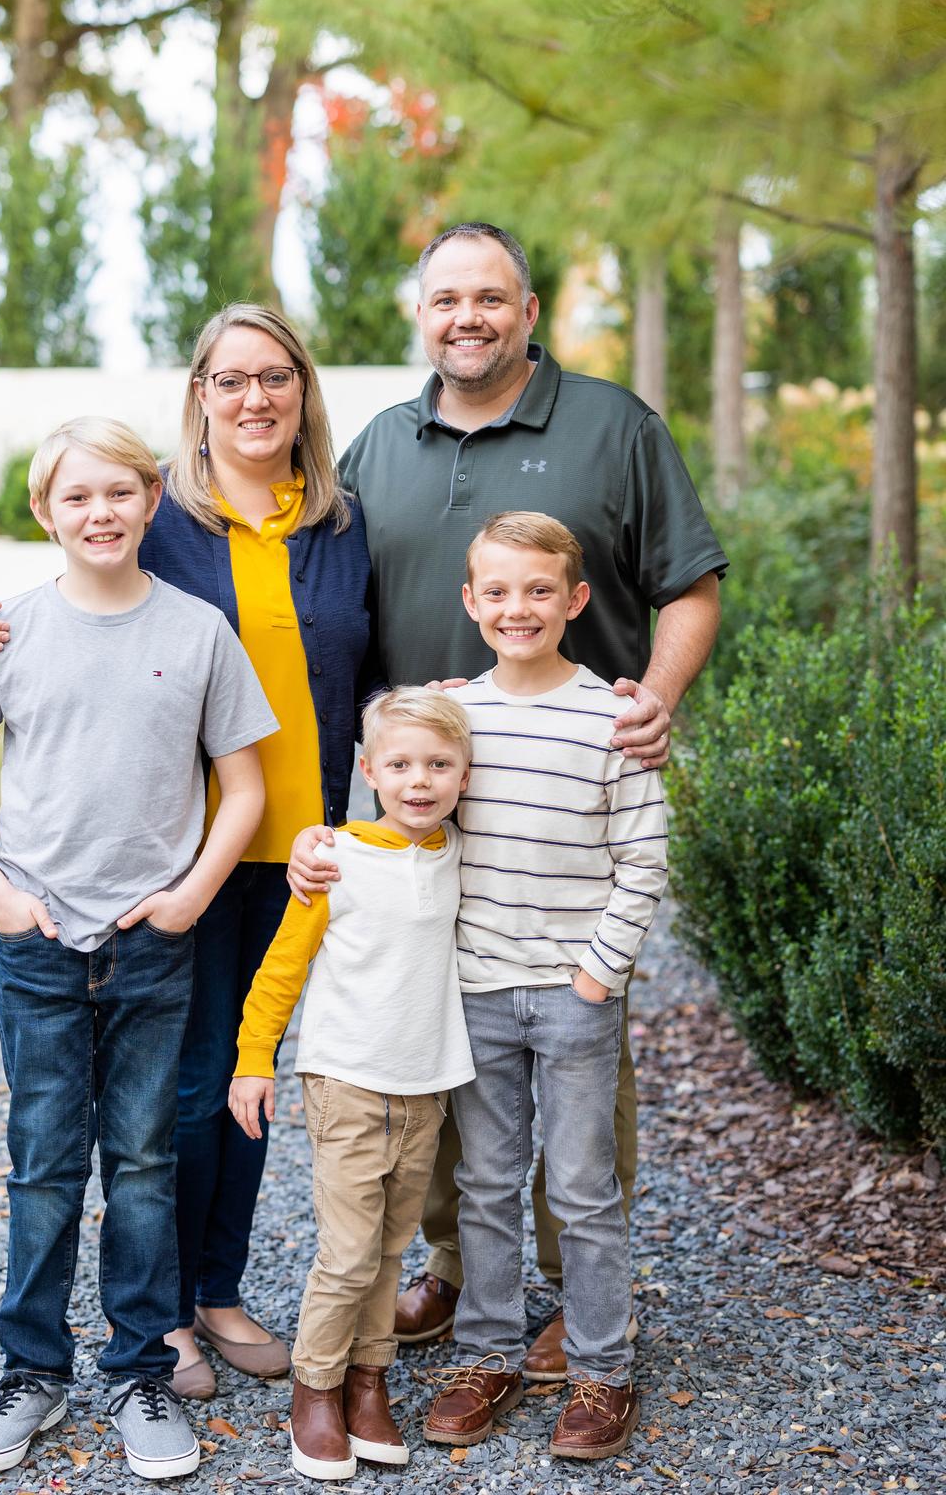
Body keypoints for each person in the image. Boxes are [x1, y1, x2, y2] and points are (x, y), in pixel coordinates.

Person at [290, 220, 726, 1378]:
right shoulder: (379, 448)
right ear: (420, 314)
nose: (466, 318)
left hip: (568, 814)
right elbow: (314, 608)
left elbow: (691, 585)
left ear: (529, 312)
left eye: (491, 298)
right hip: (419, 824)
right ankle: (457, 1270)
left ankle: (570, 1288)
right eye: (445, 300)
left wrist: (657, 698)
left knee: (579, 1071)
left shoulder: (612, 428)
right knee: (432, 1046)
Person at [0, 307, 377, 1397]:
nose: (254, 399)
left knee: (252, 1072)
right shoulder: (168, 518)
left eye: (274, 377)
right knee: (182, 1089)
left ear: (301, 389)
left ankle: (217, 1288)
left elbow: (377, 660)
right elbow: (70, 605)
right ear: (199, 397)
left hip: (297, 839)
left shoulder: (339, 525)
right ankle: (168, 1312)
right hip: (183, 853)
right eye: (229, 380)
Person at [0, 417, 277, 1480]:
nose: (101, 514)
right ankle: (31, 1369)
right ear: (45, 513)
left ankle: (140, 1373)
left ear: (151, 499)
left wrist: (188, 898)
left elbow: (246, 787)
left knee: (142, 1162)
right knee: (42, 1167)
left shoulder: (201, 630)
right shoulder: (7, 631)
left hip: (152, 946)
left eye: (120, 493)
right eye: (77, 498)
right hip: (37, 944)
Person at [416, 511, 666, 1461]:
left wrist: (598, 975)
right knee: (483, 1183)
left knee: (582, 1186)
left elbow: (642, 859)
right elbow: (406, 804)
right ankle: (485, 1356)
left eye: (538, 591)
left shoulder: (613, 717)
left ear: (575, 600)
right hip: (478, 990)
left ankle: (603, 1368)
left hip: (573, 996)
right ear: (471, 601)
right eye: (498, 591)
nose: (517, 608)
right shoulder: (455, 718)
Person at [229, 688, 476, 1481]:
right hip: (345, 1082)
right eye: (399, 764)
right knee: (346, 1253)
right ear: (367, 770)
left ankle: (371, 1384)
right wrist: (253, 1061)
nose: (419, 780)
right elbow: (280, 970)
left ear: (465, 777)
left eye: (439, 765)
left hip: (424, 1086)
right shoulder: (333, 859)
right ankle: (317, 1389)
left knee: (392, 1248)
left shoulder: (457, 854)